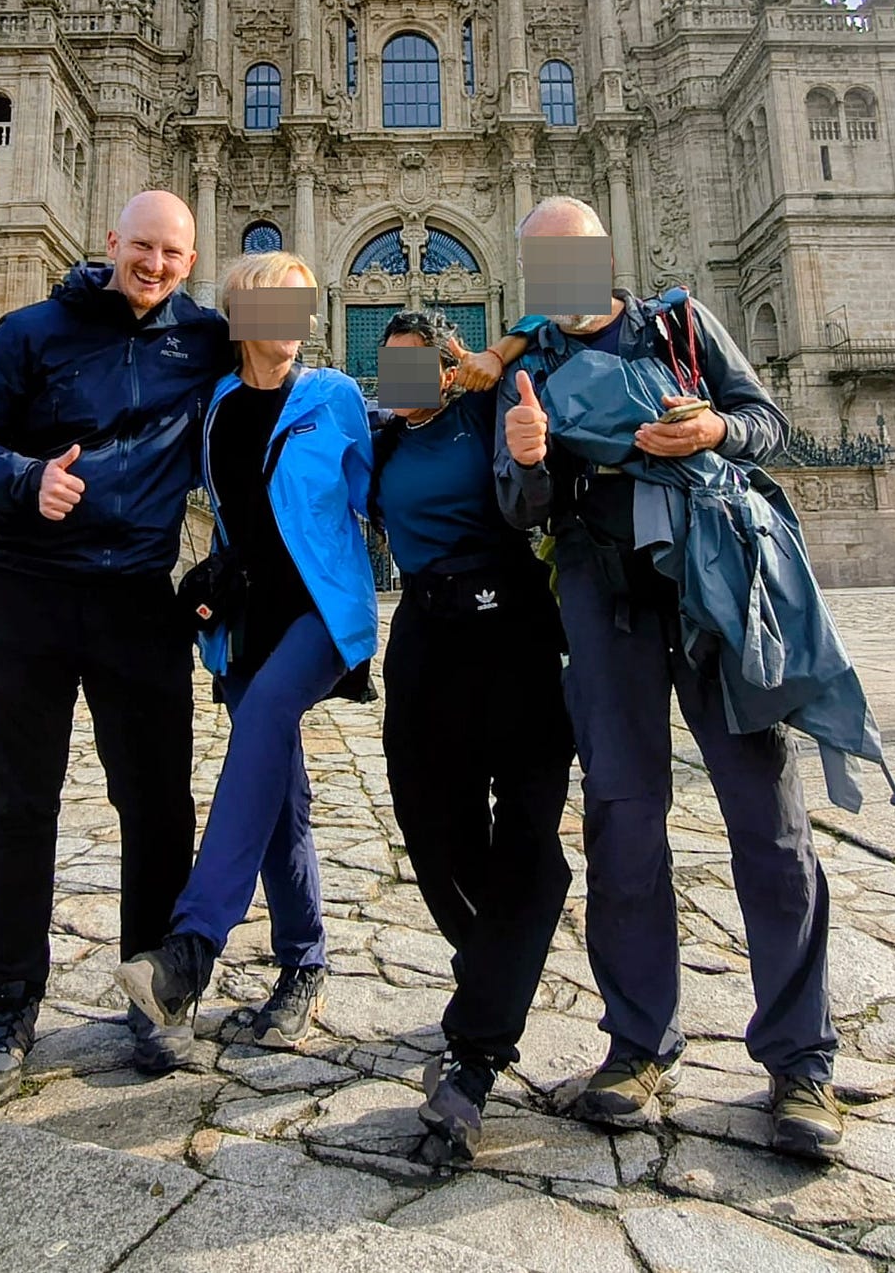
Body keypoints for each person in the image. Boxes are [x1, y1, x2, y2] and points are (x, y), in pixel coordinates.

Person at [496, 196, 845, 1159]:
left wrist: (715, 431)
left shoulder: (681, 325)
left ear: (606, 253)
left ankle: (801, 1060)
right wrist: (527, 461)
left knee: (768, 818)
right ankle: (637, 1043)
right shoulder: (528, 368)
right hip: (601, 598)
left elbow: (767, 421)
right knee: (622, 819)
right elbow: (520, 507)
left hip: (711, 586)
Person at [0, 190, 230, 1112]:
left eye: (172, 253)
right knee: (19, 805)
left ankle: (156, 995)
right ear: (112, 243)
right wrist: (23, 478)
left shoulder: (205, 338)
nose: (154, 264)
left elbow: (281, 383)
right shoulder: (31, 331)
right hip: (24, 591)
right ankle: (6, 1010)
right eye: (142, 246)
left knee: (158, 803)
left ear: (191, 260)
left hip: (135, 598)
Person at [115, 250, 377, 1050]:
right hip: (242, 621)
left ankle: (192, 948)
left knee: (264, 719)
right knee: (277, 796)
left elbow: (382, 489)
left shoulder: (335, 396)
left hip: (321, 613)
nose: (295, 318)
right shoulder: (216, 405)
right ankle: (303, 965)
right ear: (242, 316)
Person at [371, 310, 574, 1161]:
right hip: (426, 633)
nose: (404, 379)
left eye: (420, 364)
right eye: (389, 363)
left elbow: (569, 309)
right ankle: (495, 958)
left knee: (527, 837)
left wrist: (501, 350)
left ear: (448, 366)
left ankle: (476, 1054)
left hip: (514, 629)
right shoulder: (378, 439)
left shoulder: (489, 410)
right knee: (431, 824)